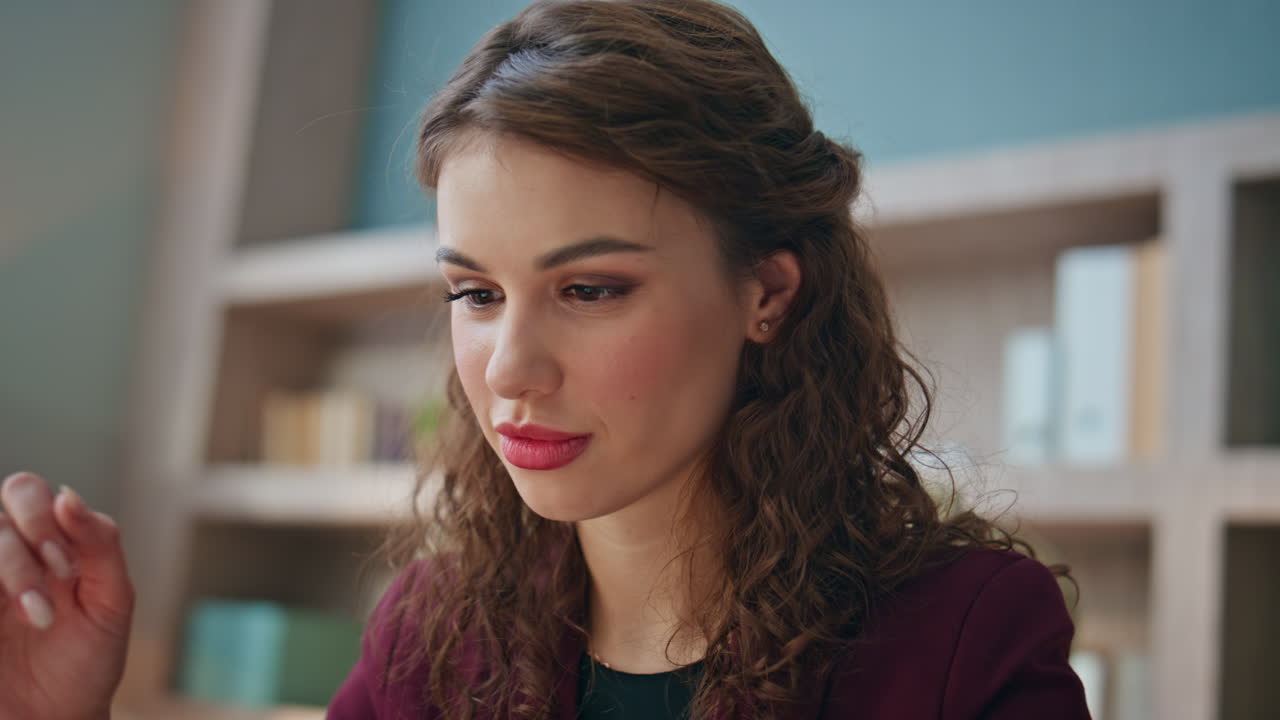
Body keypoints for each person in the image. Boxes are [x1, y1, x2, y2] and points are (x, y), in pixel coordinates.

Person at [0, 1, 1091, 719]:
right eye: (473, 293)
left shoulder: (968, 639)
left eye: (589, 289)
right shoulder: (426, 637)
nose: (509, 368)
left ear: (765, 290)